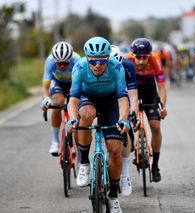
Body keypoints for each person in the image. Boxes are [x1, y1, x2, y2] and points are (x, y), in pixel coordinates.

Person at [66, 37, 130, 213]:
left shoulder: (116, 67)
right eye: (93, 61)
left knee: (115, 150)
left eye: (101, 60)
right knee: (85, 115)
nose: (97, 65)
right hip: (88, 99)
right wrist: (72, 119)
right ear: (87, 59)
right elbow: (73, 100)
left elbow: (123, 98)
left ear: (107, 58)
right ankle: (84, 162)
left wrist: (123, 119)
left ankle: (113, 196)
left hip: (110, 102)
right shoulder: (79, 67)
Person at [124, 38, 167, 183]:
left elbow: (161, 86)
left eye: (145, 57)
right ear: (132, 55)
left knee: (155, 126)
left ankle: (155, 166)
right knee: (126, 123)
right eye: (138, 57)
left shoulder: (155, 59)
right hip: (132, 92)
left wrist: (163, 106)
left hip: (149, 92)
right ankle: (129, 138)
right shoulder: (126, 60)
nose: (142, 61)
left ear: (149, 55)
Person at [40, 41, 81, 156]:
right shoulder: (49, 61)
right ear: (54, 60)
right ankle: (55, 141)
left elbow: (82, 83)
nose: (62, 66)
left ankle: (78, 148)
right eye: (59, 63)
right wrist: (46, 99)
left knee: (77, 110)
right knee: (57, 103)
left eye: (65, 63)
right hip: (58, 83)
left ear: (70, 60)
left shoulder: (77, 60)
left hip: (74, 84)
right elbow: (45, 87)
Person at [110, 45, 138, 196]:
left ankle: (125, 174)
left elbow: (133, 95)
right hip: (105, 96)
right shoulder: (100, 66)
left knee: (124, 127)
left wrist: (133, 115)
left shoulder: (127, 65)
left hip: (122, 96)